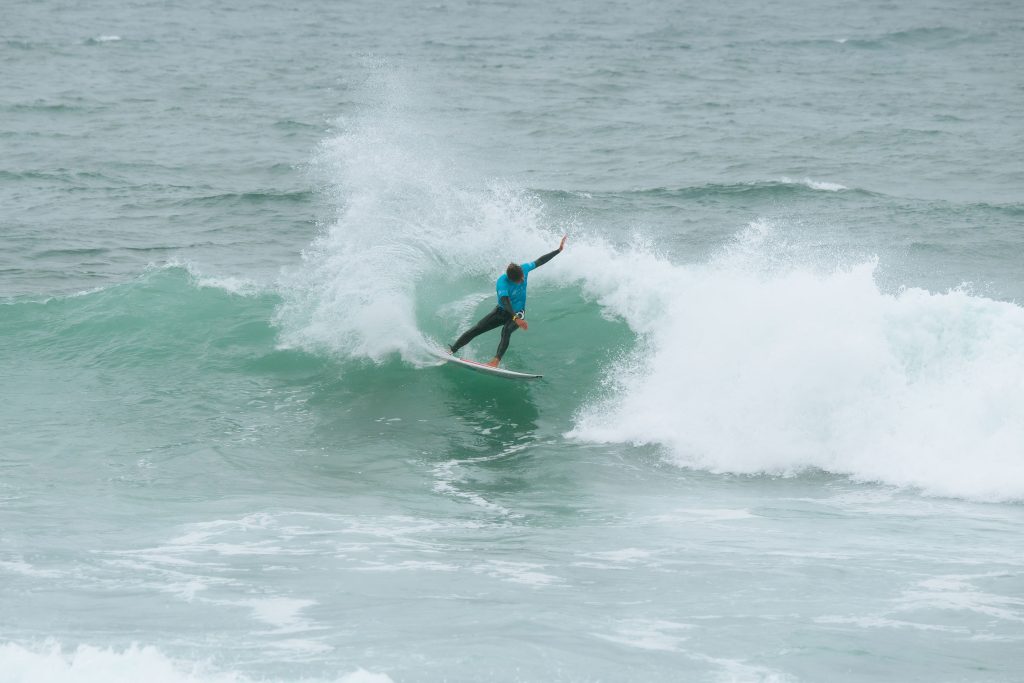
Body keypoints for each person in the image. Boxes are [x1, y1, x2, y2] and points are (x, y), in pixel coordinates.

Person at [449, 236, 567, 367]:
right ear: (511, 279)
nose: (523, 280)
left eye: (523, 277)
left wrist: (558, 250)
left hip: (519, 312)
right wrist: (515, 318)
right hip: (502, 311)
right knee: (477, 329)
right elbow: (505, 302)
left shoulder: (524, 269)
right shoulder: (502, 283)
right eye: (519, 280)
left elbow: (540, 261)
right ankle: (451, 350)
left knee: (506, 331)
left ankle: (495, 361)